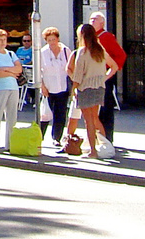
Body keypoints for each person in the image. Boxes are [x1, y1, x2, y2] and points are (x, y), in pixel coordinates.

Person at [67, 22, 120, 158]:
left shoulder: (82, 52)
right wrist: (103, 78)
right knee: (95, 118)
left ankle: (93, 151)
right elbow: (114, 66)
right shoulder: (100, 50)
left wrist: (73, 90)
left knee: (88, 121)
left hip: (85, 88)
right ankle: (105, 145)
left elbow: (78, 75)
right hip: (99, 88)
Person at [0, 29, 24, 153]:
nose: (2, 42)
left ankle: (10, 144)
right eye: (0, 40)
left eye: (4, 40)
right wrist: (11, 72)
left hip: (13, 88)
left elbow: (19, 69)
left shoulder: (11, 54)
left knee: (12, 118)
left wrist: (6, 70)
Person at [90, 11, 126, 142]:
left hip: (104, 77)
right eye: (91, 19)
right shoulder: (89, 37)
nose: (92, 21)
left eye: (95, 19)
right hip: (90, 77)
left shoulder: (107, 37)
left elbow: (120, 55)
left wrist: (110, 72)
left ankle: (107, 137)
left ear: (102, 23)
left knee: (105, 108)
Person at [37, 27, 72, 148]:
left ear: (58, 39)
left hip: (63, 86)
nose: (52, 42)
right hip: (49, 86)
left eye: (54, 39)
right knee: (45, 114)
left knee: (60, 113)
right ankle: (39, 137)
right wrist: (42, 86)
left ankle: (57, 137)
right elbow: (38, 71)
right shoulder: (43, 52)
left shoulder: (66, 50)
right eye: (49, 40)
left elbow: (70, 67)